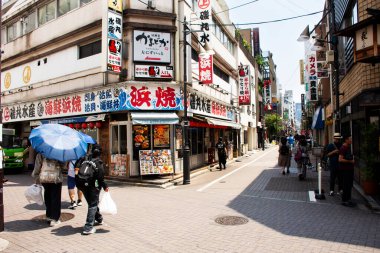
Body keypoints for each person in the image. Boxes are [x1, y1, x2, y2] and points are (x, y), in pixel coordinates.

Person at [75, 144, 109, 235]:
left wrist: (77, 179)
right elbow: (100, 178)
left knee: (92, 203)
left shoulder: (84, 159)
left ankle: (99, 218)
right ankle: (88, 227)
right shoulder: (99, 163)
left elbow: (76, 167)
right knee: (93, 204)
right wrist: (105, 186)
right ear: (100, 153)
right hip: (93, 186)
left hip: (82, 184)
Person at [32, 153, 67, 226]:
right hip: (56, 179)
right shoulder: (58, 153)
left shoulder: (41, 153)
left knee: (47, 196)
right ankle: (54, 219)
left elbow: (37, 166)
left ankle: (48, 216)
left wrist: (36, 176)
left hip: (45, 178)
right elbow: (63, 166)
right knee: (55, 198)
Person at [339, 135, 355, 207]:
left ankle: (348, 199)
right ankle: (344, 200)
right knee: (346, 185)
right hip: (345, 170)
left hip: (349, 169)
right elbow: (340, 159)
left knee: (349, 185)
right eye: (350, 139)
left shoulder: (348, 147)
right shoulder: (343, 148)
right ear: (346, 140)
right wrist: (350, 161)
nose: (351, 141)